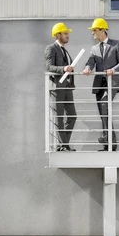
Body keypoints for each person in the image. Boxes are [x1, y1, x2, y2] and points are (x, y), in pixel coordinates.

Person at [82, 18, 119, 152]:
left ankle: (106, 136)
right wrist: (87, 68)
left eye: (94, 30)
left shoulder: (116, 44)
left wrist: (113, 70)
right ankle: (109, 144)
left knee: (104, 105)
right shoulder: (94, 48)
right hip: (99, 83)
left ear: (103, 30)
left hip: (112, 82)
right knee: (103, 112)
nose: (93, 33)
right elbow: (90, 62)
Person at [45, 22, 76, 152]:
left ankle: (64, 144)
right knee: (59, 117)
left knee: (72, 115)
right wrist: (63, 68)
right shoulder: (51, 48)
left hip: (67, 86)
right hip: (58, 86)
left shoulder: (64, 50)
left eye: (67, 33)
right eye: (65, 33)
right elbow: (48, 67)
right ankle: (63, 145)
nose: (67, 35)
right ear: (58, 35)